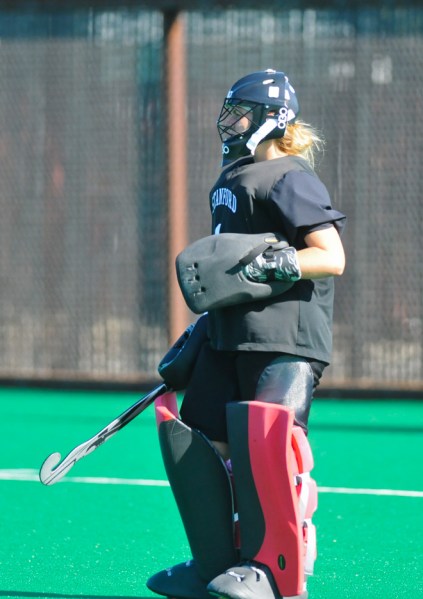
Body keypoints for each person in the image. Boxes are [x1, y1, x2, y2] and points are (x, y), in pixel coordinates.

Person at [147, 69, 346, 599]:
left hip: (283, 340)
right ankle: (213, 563)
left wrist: (279, 261)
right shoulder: (230, 180)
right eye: (230, 112)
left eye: (242, 113)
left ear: (272, 120)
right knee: (193, 438)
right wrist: (201, 331)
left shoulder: (289, 176)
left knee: (266, 446)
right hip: (228, 336)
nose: (230, 123)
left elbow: (331, 256)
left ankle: (272, 570)